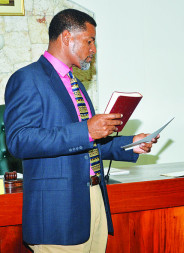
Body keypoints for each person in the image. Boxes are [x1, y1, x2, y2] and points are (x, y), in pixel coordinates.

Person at [4, 8, 159, 253]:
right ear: (67, 37)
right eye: (90, 41)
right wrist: (85, 130)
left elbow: (88, 144)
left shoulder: (76, 83)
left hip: (94, 201)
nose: (94, 49)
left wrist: (131, 144)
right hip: (57, 214)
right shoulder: (28, 78)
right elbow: (19, 140)